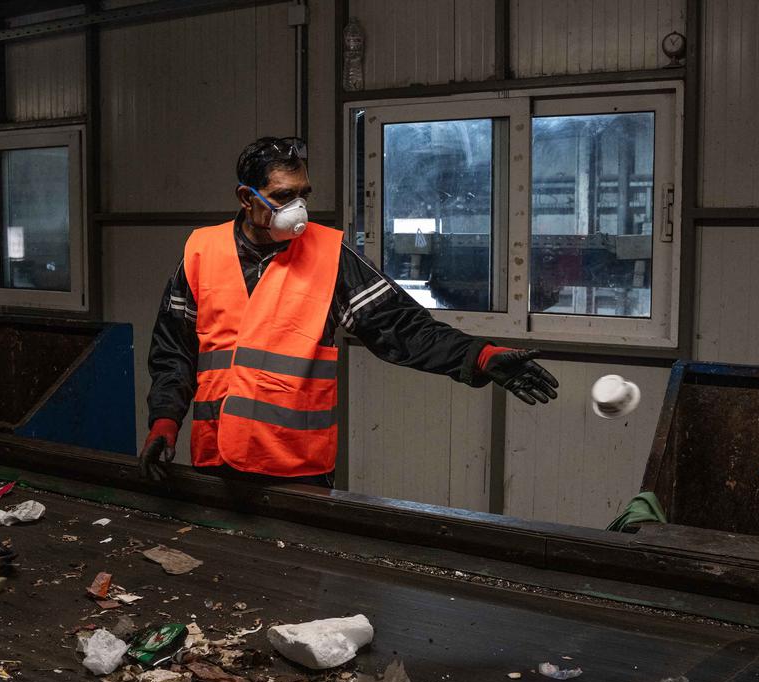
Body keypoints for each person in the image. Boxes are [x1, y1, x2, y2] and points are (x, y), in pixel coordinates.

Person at [140, 136, 558, 485]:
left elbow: (403, 327)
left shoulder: (329, 257)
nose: (298, 208)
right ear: (246, 198)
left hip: (296, 467)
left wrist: (480, 356)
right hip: (215, 460)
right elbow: (173, 353)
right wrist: (164, 422)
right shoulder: (202, 252)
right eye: (284, 196)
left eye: (303, 194)